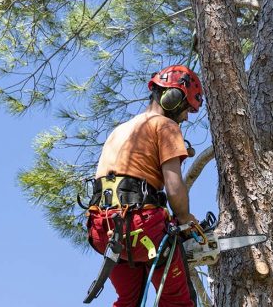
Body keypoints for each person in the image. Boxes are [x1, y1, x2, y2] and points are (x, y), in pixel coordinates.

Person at [86, 64, 204, 306]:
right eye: (185, 109)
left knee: (129, 300)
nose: (185, 117)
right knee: (177, 301)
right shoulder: (165, 125)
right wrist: (184, 218)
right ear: (172, 98)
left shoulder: (120, 130)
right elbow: (173, 185)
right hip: (141, 226)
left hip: (103, 230)